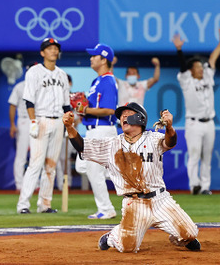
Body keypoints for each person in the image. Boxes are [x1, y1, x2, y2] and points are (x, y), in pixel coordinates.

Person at [62, 102, 201, 253]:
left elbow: (170, 142)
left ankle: (182, 237)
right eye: (121, 116)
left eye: (128, 114)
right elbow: (83, 147)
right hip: (134, 204)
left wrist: (169, 127)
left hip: (160, 200)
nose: (123, 117)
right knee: (128, 247)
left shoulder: (153, 138)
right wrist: (70, 127)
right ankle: (112, 236)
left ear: (140, 118)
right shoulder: (112, 144)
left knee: (190, 233)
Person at [16, 38, 71, 214]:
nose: (54, 51)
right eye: (50, 48)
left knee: (51, 165)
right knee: (35, 164)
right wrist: (33, 121)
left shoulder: (62, 74)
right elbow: (28, 100)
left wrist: (68, 123)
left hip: (58, 121)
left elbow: (66, 105)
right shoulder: (34, 72)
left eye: (55, 48)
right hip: (41, 119)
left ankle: (44, 204)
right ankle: (23, 204)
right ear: (42, 52)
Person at [173, 29, 220, 196]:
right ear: (191, 70)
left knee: (207, 156)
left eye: (201, 66)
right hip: (193, 123)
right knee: (194, 155)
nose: (201, 69)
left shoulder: (208, 76)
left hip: (209, 122)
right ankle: (194, 185)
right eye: (197, 67)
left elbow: (212, 59)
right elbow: (182, 66)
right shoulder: (187, 80)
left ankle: (205, 186)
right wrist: (179, 50)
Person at [75, 43, 118, 219]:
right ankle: (114, 171)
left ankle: (106, 209)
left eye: (95, 56)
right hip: (92, 130)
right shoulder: (97, 81)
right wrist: (81, 107)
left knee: (94, 170)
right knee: (81, 166)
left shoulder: (108, 81)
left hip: (102, 130)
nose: (91, 58)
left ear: (103, 59)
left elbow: (109, 110)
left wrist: (85, 110)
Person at [8, 62, 36, 191]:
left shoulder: (42, 87)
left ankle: (36, 183)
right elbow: (12, 105)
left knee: (37, 154)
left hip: (38, 120)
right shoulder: (19, 87)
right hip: (24, 120)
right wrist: (12, 124)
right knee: (21, 155)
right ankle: (19, 185)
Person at [55, 74, 80, 191]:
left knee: (66, 159)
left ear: (70, 83)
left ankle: (67, 183)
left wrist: (72, 123)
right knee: (59, 159)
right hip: (59, 131)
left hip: (71, 132)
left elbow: (80, 116)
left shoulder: (75, 97)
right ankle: (62, 185)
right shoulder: (56, 98)